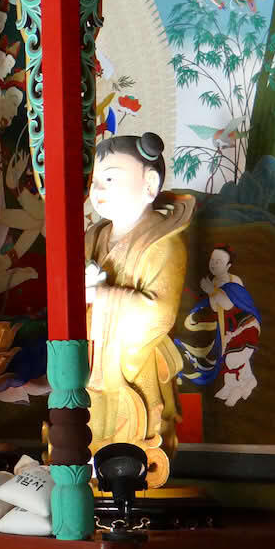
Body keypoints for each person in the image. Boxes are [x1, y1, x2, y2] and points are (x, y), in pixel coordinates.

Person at [84, 132, 194, 486]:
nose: (98, 189)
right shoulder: (93, 238)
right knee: (87, 419)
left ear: (149, 183)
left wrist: (101, 296)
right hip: (92, 354)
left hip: (133, 358)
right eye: (95, 180)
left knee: (131, 428)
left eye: (111, 178)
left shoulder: (163, 244)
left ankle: (131, 473)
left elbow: (160, 312)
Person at [176, 245, 262, 407]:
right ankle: (240, 385)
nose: (214, 264)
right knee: (219, 356)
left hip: (244, 325)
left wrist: (211, 291)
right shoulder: (211, 281)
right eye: (213, 260)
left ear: (228, 266)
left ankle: (244, 385)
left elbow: (230, 305)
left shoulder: (233, 280)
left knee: (232, 358)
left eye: (220, 261)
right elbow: (215, 308)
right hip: (225, 327)